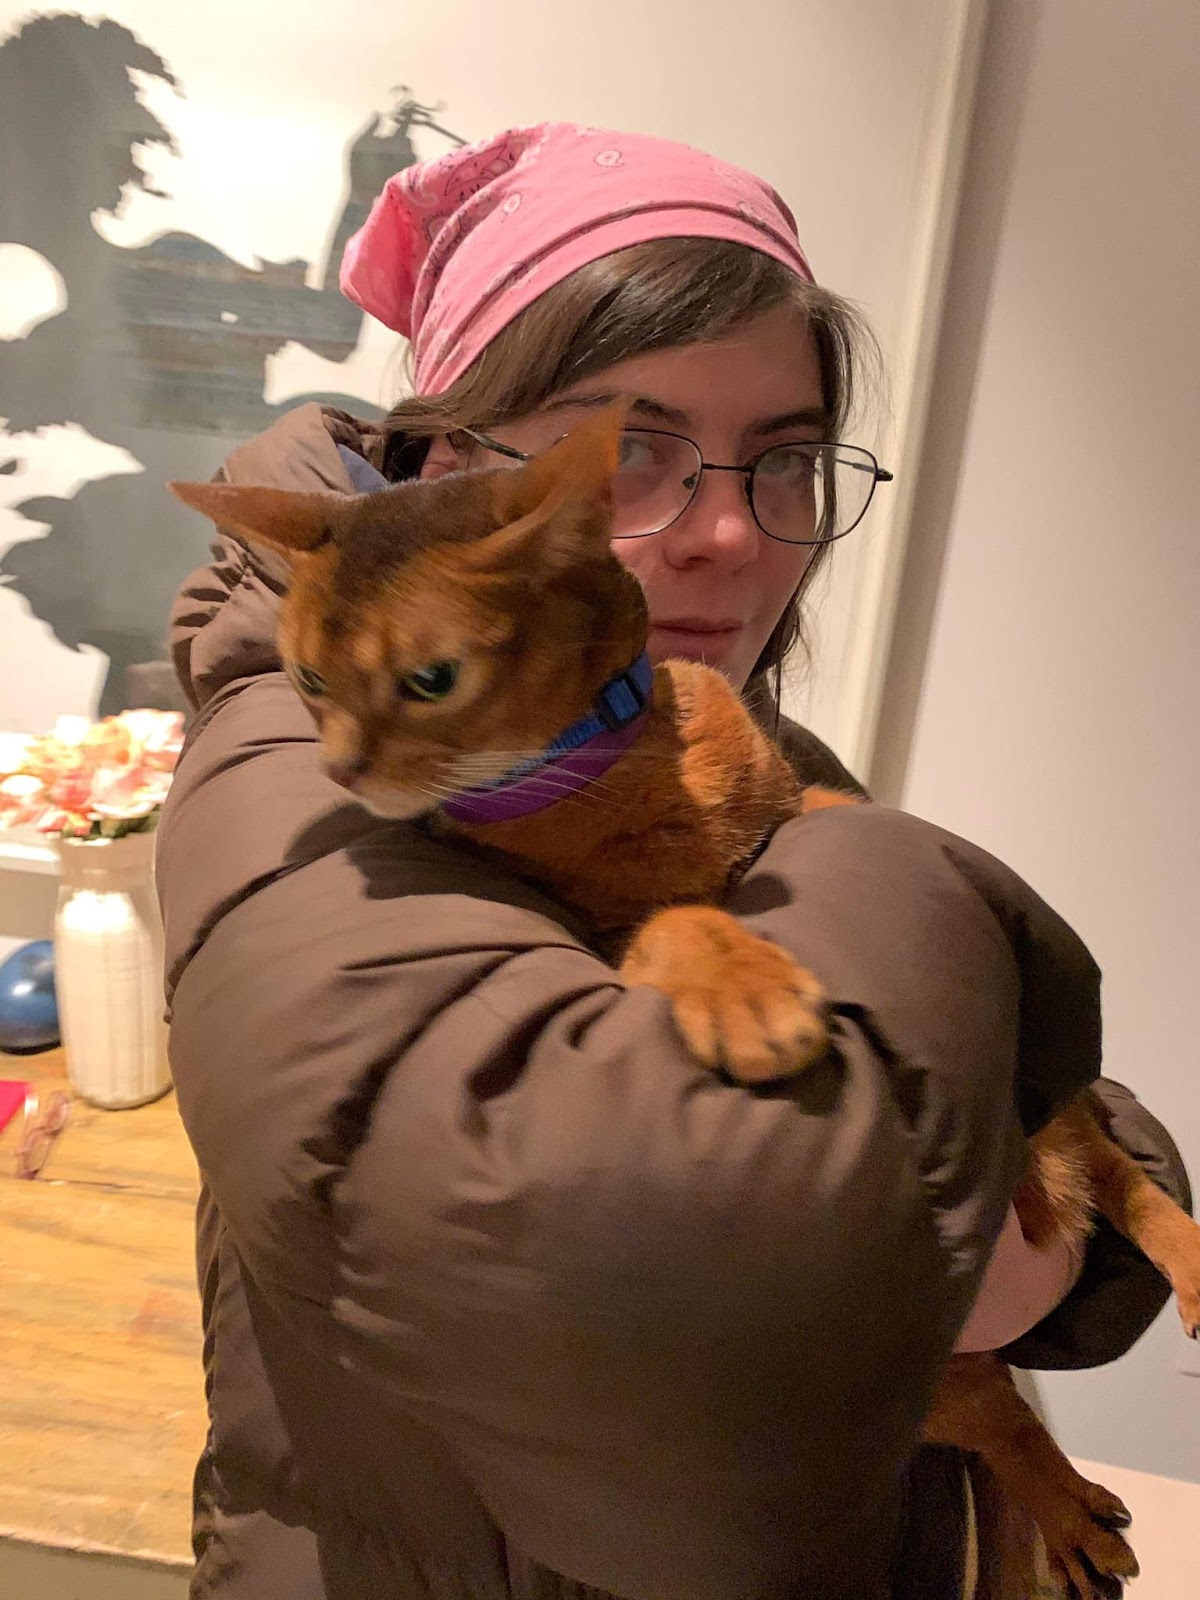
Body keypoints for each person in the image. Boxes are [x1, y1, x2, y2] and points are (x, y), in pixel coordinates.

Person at [158, 124, 1189, 1600]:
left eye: (786, 462)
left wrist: (1069, 1243)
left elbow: (1047, 1123)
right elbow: (698, 1309)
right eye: (628, 452)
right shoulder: (299, 775)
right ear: (448, 464)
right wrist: (915, 885)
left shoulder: (653, 712)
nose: (725, 531)